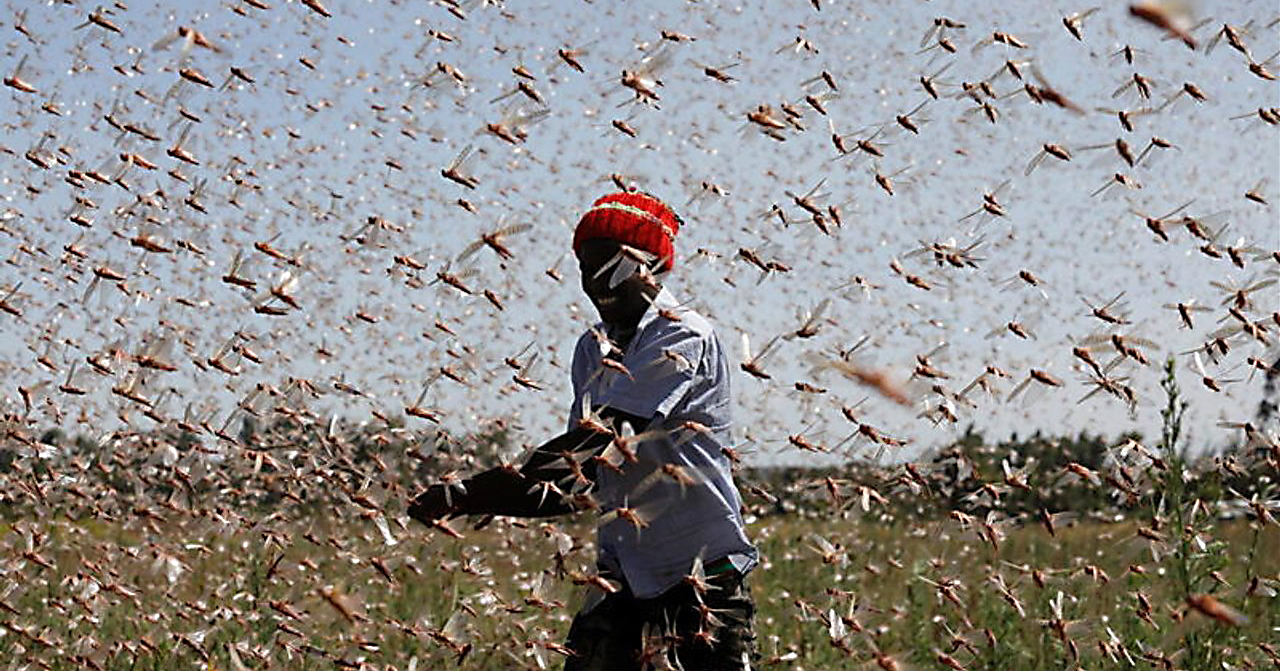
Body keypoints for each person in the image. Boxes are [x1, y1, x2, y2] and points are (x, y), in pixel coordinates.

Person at [408, 191, 759, 671]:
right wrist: (473, 499)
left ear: (652, 266)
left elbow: (603, 445)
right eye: (585, 266)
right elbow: (575, 481)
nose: (596, 281)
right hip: (623, 579)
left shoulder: (684, 334)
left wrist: (473, 492)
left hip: (701, 580)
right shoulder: (592, 349)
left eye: (613, 264)